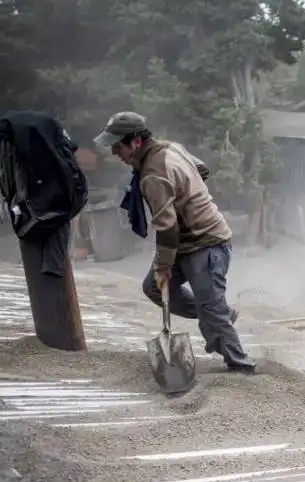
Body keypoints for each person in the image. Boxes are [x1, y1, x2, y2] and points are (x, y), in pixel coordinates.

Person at [94, 112, 256, 374]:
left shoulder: (153, 175)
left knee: (209, 308)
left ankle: (240, 364)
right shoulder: (171, 147)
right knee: (155, 289)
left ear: (135, 142)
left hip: (207, 243)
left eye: (117, 145)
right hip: (186, 242)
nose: (114, 151)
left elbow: (167, 229)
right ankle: (219, 313)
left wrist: (162, 266)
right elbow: (202, 169)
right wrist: (184, 193)